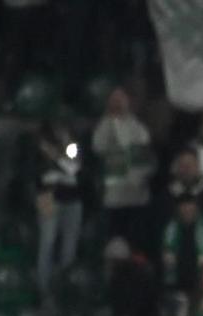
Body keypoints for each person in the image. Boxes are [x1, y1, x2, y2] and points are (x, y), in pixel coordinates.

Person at [91, 87, 154, 248]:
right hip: (114, 195)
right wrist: (109, 121)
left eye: (121, 99)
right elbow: (98, 146)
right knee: (114, 241)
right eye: (114, 99)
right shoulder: (105, 125)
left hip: (136, 195)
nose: (118, 103)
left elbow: (142, 156)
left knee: (135, 242)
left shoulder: (138, 127)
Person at [33, 120, 83, 297]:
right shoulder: (40, 144)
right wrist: (58, 160)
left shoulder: (71, 145)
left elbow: (73, 168)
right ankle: (43, 289)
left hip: (72, 199)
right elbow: (43, 175)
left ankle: (65, 286)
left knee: (69, 245)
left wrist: (57, 156)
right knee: (47, 242)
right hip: (47, 198)